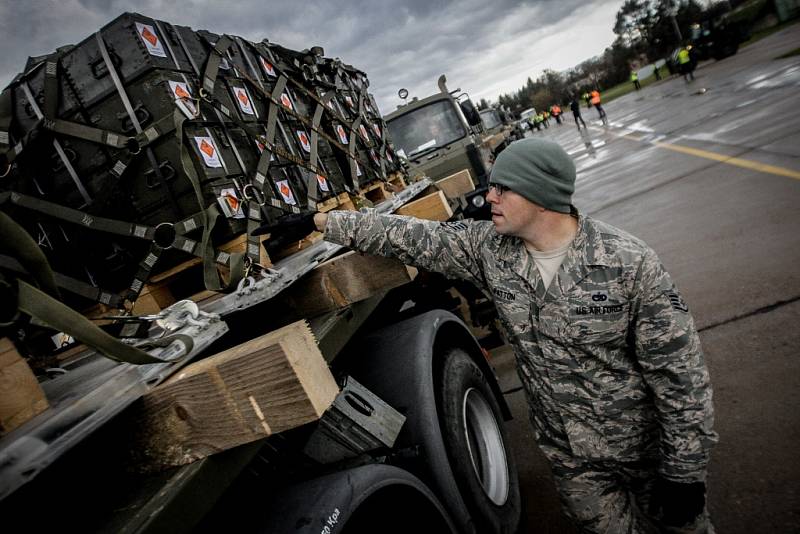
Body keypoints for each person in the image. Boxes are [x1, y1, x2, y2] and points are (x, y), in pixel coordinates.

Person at [288, 138, 717, 533]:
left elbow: (680, 377)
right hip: (573, 460)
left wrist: (685, 472)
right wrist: (321, 220)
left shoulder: (629, 263)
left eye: (502, 189)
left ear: (540, 195)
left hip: (644, 450)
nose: (489, 196)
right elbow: (411, 237)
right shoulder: (490, 251)